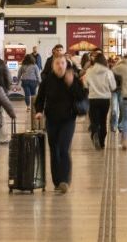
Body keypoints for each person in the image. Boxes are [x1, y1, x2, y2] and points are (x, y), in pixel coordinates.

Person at [34, 56, 88, 193]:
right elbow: (40, 98)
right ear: (53, 66)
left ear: (66, 64)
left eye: (62, 63)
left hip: (68, 119)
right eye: (57, 63)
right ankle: (57, 181)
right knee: (54, 150)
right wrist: (39, 111)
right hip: (51, 120)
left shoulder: (73, 78)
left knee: (64, 148)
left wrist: (72, 84)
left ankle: (64, 181)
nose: (60, 66)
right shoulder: (47, 81)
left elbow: (81, 96)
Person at [82, 53, 116, 150]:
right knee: (103, 120)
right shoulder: (108, 72)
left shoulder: (89, 71)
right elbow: (113, 87)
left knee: (94, 121)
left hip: (93, 99)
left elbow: (85, 85)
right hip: (105, 99)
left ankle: (95, 133)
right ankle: (102, 142)